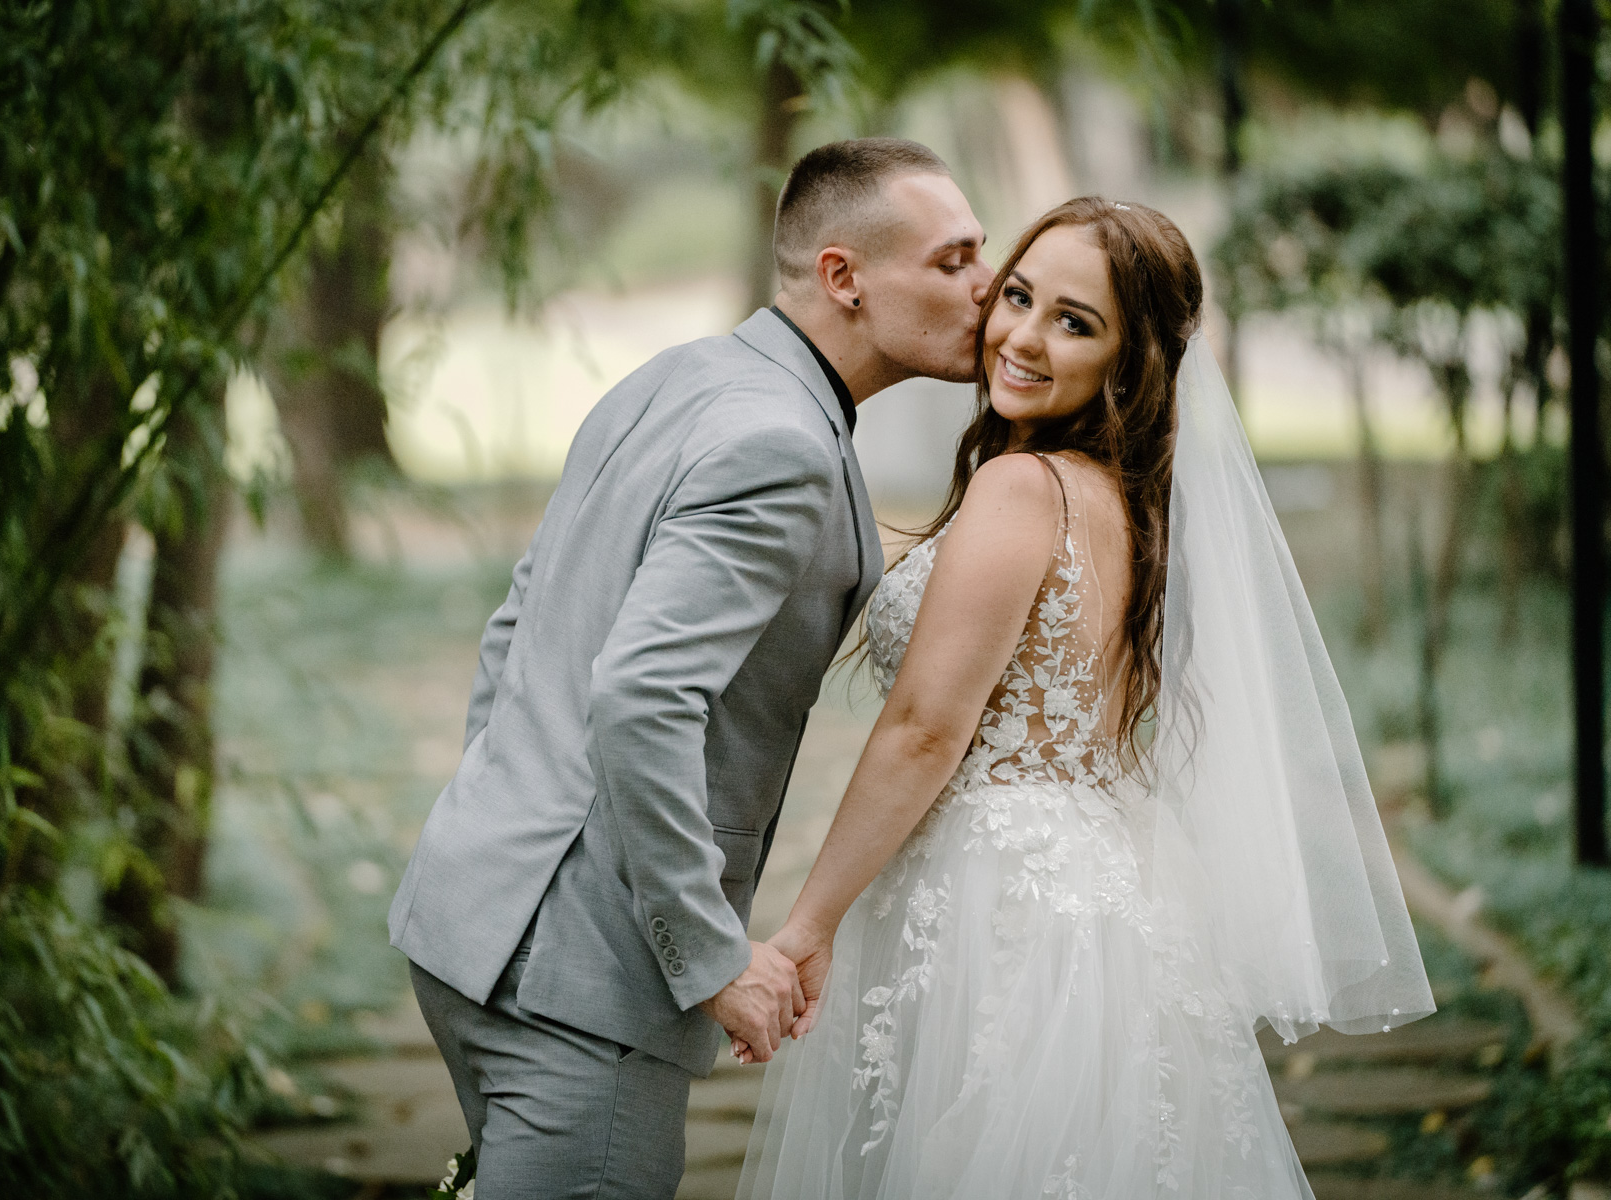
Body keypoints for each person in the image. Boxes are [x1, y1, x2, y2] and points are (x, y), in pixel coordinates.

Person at [736, 197, 1436, 1199]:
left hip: (993, 903)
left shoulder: (1023, 489)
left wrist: (807, 926)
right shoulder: (1128, 502)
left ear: (1127, 361)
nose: (1023, 337)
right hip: (1103, 901)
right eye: (1019, 296)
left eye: (1074, 322)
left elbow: (927, 729)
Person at [386, 138, 995, 1199]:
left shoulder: (679, 377)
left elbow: (520, 622)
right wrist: (710, 954)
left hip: (467, 919)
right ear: (844, 277)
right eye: (954, 260)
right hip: (581, 990)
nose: (988, 286)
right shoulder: (782, 445)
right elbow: (642, 696)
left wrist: (501, 814)